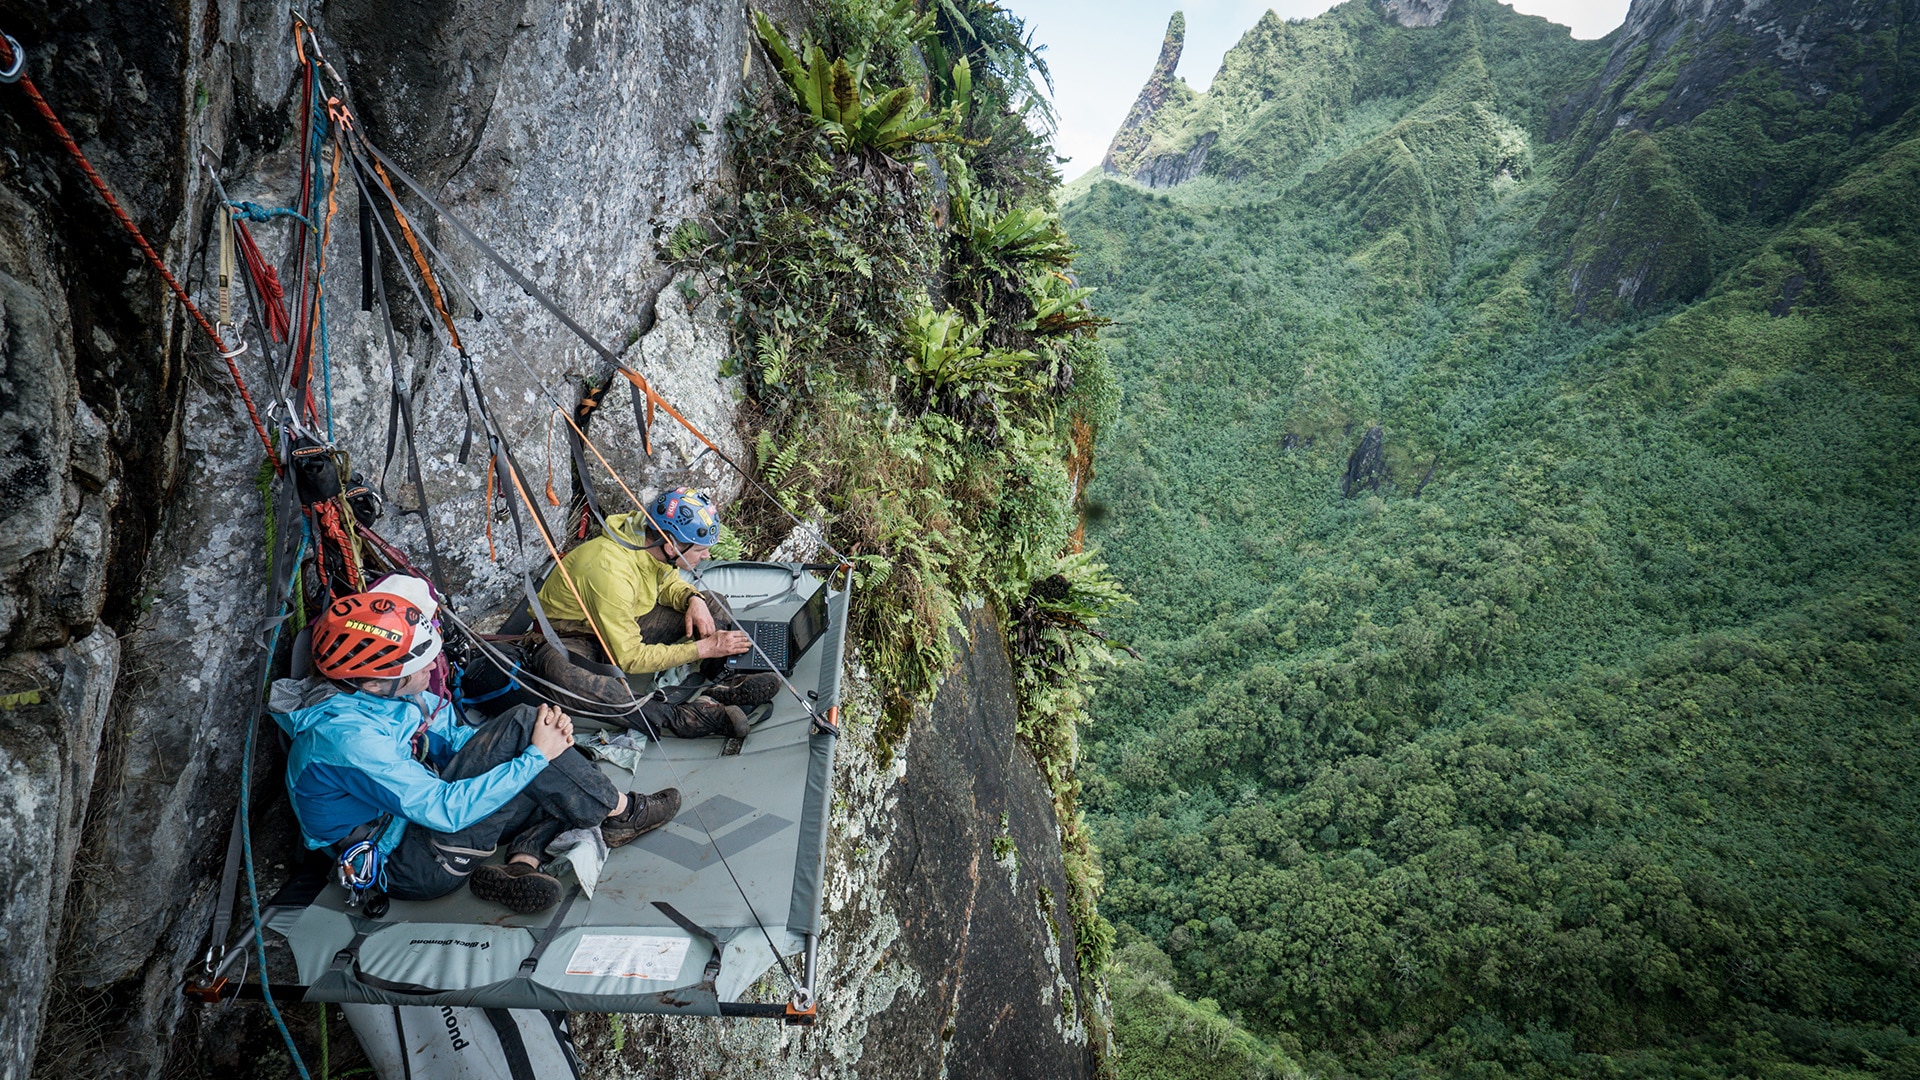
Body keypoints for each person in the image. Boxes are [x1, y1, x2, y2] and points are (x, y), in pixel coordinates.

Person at [273, 575, 680, 914]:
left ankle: (522, 863)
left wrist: (540, 748)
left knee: (551, 769)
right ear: (376, 682)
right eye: (420, 665)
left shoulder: (389, 696)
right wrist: (536, 754)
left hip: (419, 827)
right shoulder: (347, 740)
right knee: (535, 751)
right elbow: (445, 811)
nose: (434, 667)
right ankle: (623, 813)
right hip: (409, 863)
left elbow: (464, 740)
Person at [526, 488, 775, 738]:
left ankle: (720, 684)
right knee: (562, 676)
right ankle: (681, 717)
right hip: (569, 640)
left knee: (711, 602)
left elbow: (665, 583)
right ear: (670, 545)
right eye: (700, 550)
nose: (706, 555)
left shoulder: (647, 538)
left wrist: (692, 598)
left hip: (623, 620)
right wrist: (704, 648)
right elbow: (631, 657)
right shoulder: (610, 572)